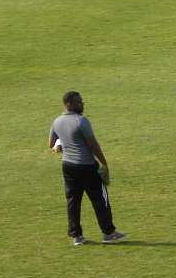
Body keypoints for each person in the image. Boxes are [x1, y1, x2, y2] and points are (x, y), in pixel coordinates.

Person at [48, 91, 126, 245]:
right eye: (78, 102)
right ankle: (108, 233)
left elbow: (52, 144)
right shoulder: (81, 121)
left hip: (68, 166)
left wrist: (63, 144)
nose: (82, 104)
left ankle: (76, 236)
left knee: (73, 201)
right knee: (100, 199)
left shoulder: (56, 122)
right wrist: (104, 163)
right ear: (69, 104)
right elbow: (93, 145)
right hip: (87, 166)